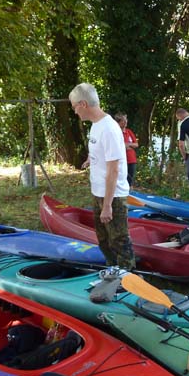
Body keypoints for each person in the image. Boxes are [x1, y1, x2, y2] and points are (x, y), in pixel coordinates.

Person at [69, 83, 136, 270]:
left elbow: (114, 170)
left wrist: (107, 206)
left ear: (83, 104)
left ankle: (127, 277)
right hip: (98, 192)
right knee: (104, 239)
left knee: (119, 239)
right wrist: (92, 158)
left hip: (113, 196)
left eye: (74, 107)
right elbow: (100, 150)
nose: (75, 112)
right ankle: (112, 271)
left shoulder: (109, 128)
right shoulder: (95, 125)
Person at [114, 112, 138, 187]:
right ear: (118, 122)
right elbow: (116, 146)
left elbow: (136, 144)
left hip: (132, 160)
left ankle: (130, 195)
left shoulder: (129, 132)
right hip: (120, 160)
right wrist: (126, 146)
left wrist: (127, 144)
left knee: (130, 180)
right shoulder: (115, 132)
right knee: (120, 180)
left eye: (126, 120)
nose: (126, 122)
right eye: (123, 120)